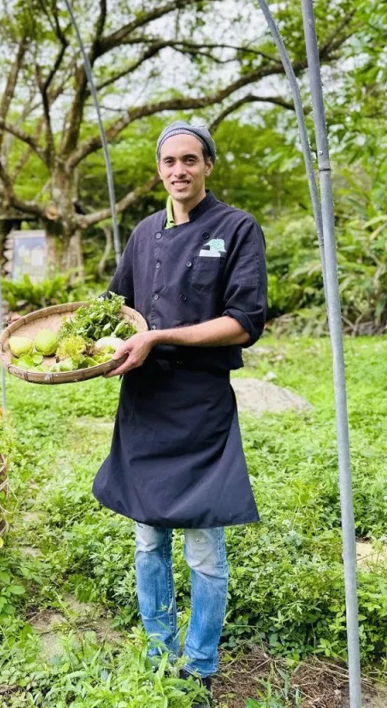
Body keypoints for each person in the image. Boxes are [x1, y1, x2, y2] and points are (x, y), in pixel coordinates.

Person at [92, 120, 267, 699]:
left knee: (203, 545)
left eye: (190, 160)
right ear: (159, 171)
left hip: (200, 405)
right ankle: (158, 650)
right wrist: (82, 337)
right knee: (147, 540)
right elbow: (118, 307)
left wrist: (161, 339)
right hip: (146, 403)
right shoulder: (144, 233)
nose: (178, 171)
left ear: (208, 165)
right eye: (169, 162)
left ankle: (200, 661)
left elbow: (244, 324)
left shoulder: (237, 229)